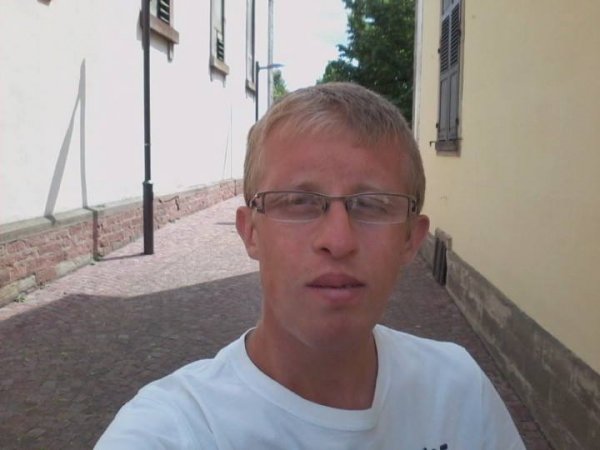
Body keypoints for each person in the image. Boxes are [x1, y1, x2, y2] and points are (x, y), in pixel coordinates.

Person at [95, 82, 525, 449]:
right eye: (298, 202)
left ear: (411, 239)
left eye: (372, 204)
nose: (338, 241)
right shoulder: (174, 429)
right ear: (251, 232)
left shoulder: (460, 392)